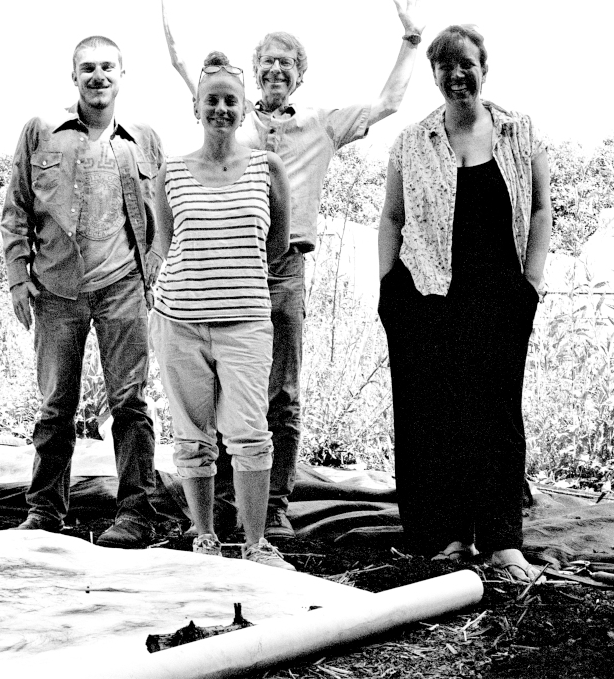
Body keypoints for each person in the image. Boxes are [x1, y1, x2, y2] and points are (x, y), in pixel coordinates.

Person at [161, 0, 424, 540]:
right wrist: (175, 46)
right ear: (253, 73)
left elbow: (388, 103)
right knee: (215, 389)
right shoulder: (234, 116)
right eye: (267, 62)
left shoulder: (322, 124)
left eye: (288, 63)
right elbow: (198, 80)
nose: (276, 70)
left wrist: (410, 41)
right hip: (223, 268)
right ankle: (223, 506)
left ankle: (273, 505)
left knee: (280, 392)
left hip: (282, 270)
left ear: (300, 75)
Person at [376, 25, 552, 582]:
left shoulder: (519, 132)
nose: (457, 76)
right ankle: (446, 537)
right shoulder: (412, 141)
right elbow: (392, 217)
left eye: (466, 64)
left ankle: (502, 541)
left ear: (484, 68)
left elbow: (543, 210)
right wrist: (387, 287)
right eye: (445, 67)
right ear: (434, 76)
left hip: (500, 294)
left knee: (497, 412)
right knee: (433, 416)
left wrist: (532, 282)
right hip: (425, 293)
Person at [0, 36, 164, 549]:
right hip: (56, 290)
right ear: (74, 77)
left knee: (131, 404)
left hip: (122, 289)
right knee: (56, 406)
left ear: (122, 75)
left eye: (108, 67)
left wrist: (149, 273)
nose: (99, 76)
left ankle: (136, 514)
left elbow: (164, 213)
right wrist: (18, 277)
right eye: (88, 68)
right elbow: (16, 208)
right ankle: (45, 511)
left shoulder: (143, 139)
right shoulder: (41, 132)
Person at [151, 52, 294, 569]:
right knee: (192, 435)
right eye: (211, 100)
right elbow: (168, 247)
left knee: (250, 432)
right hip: (180, 322)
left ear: (243, 109)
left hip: (246, 322)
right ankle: (205, 538)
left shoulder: (266, 166)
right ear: (196, 106)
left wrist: (233, 280)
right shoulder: (172, 173)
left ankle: (257, 545)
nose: (221, 109)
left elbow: (277, 244)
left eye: (230, 101)